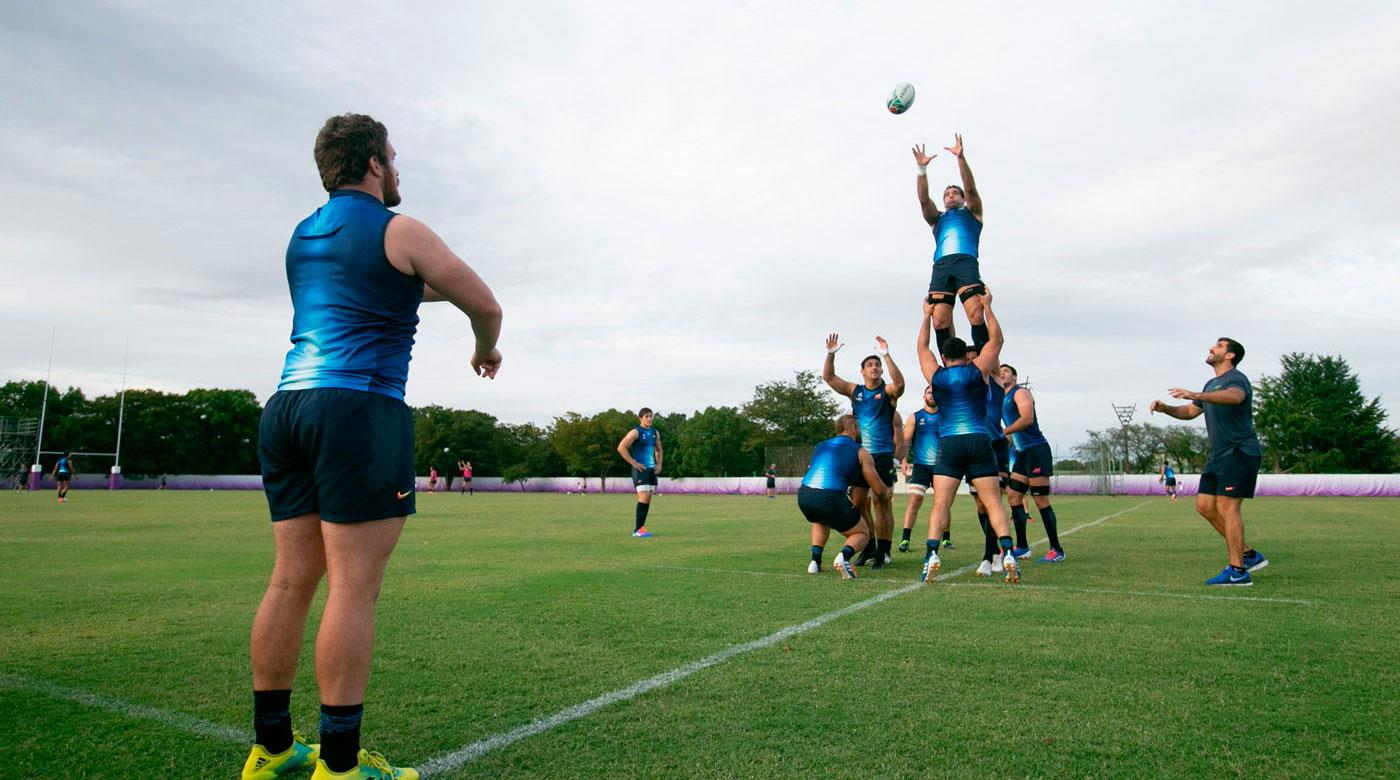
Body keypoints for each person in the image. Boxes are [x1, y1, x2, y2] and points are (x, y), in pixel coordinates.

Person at [246, 112, 503, 780]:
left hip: (287, 407)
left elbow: (387, 287)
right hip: (358, 409)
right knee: (354, 588)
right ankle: (339, 765)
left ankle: (270, 750)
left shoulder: (304, 236)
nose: (398, 168)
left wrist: (429, 289)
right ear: (371, 163)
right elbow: (487, 305)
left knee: (290, 578)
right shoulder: (401, 228)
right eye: (393, 157)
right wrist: (486, 351)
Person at [914, 291, 1018, 584]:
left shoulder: (936, 376)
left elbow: (922, 348)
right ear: (966, 355)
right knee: (994, 503)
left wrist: (926, 317)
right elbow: (996, 341)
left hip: (950, 444)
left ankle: (932, 554)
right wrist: (986, 307)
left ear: (945, 357)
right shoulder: (979, 371)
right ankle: (1008, 552)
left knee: (941, 505)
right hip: (979, 440)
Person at [1151, 337, 1268, 587]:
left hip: (1239, 451)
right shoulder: (1211, 384)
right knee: (1204, 506)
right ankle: (1248, 555)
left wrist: (1195, 393)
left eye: (1219, 346)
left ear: (1230, 356)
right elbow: (1191, 412)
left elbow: (1235, 397)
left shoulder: (1236, 379)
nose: (1212, 348)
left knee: (1228, 508)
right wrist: (1166, 409)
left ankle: (1238, 571)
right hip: (1218, 455)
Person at [822, 334, 905, 568]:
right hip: (859, 456)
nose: (875, 367)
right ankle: (869, 547)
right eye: (870, 365)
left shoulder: (887, 392)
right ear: (862, 372)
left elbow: (899, 385)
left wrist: (886, 355)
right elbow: (828, 377)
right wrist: (831, 354)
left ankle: (884, 552)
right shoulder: (855, 391)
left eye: (877, 364)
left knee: (882, 502)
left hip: (880, 456)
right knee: (857, 504)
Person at [912, 133, 988, 353]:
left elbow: (971, 188)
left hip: (965, 262)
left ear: (963, 199)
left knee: (975, 313)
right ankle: (951, 362)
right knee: (939, 321)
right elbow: (924, 200)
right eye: (947, 194)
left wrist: (960, 158)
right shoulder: (937, 219)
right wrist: (922, 170)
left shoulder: (973, 213)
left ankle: (984, 361)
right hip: (942, 266)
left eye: (955, 193)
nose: (951, 195)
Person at [800, 415, 891, 579]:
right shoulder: (861, 451)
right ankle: (844, 557)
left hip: (804, 494)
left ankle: (815, 562)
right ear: (855, 429)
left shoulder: (820, 446)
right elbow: (877, 488)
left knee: (820, 520)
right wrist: (886, 493)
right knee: (862, 534)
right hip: (830, 497)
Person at [1000, 365, 1065, 564]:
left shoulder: (1021, 393)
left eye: (1006, 371)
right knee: (1013, 495)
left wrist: (1005, 432)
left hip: (1036, 450)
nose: (1002, 373)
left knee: (1041, 501)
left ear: (1014, 376)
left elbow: (1027, 419)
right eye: (1000, 371)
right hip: (1021, 453)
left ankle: (1057, 549)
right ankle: (1022, 547)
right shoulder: (1001, 398)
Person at [899, 386, 941, 553]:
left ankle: (945, 538)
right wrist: (903, 460)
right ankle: (905, 539)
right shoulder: (915, 417)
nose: (932, 395)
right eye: (930, 392)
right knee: (914, 501)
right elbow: (905, 441)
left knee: (942, 503)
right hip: (921, 467)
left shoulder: (946, 416)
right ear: (924, 396)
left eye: (935, 392)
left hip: (942, 467)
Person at [617, 408, 664, 538]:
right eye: (646, 416)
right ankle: (637, 530)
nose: (649, 419)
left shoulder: (655, 432)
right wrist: (634, 463)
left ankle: (641, 529)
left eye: (650, 416)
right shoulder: (635, 432)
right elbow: (621, 447)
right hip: (640, 469)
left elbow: (659, 450)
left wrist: (659, 464)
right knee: (643, 496)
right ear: (640, 418)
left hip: (651, 470)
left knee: (647, 498)